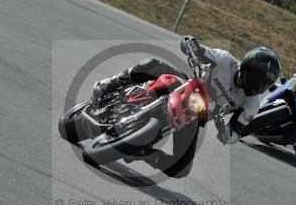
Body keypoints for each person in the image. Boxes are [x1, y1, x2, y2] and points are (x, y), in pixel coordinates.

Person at [91, 35, 281, 178]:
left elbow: (237, 129)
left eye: (264, 83)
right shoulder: (225, 60)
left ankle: (144, 153)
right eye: (258, 78)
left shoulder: (251, 104)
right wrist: (191, 44)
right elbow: (200, 49)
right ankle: (109, 84)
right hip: (185, 85)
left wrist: (228, 134)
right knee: (152, 65)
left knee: (181, 168)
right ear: (247, 67)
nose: (259, 86)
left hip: (196, 116)